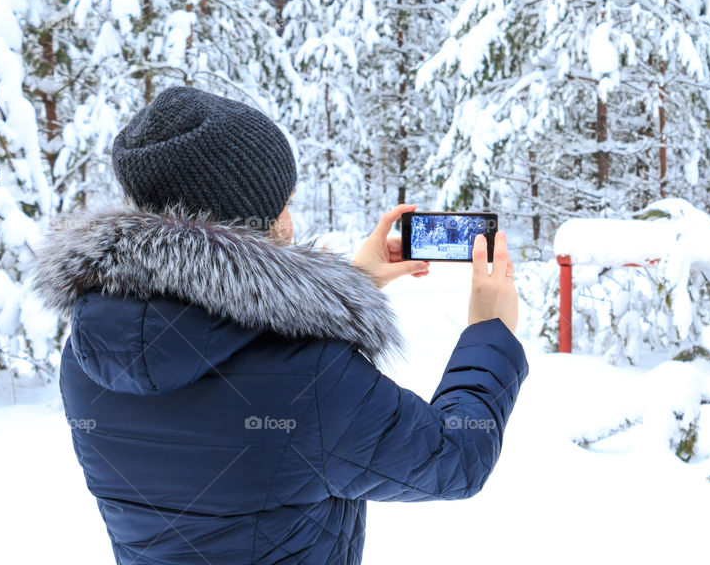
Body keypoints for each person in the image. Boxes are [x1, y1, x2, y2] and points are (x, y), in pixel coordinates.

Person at [30, 86, 528, 564]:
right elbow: (455, 458)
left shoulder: (88, 353)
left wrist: (350, 287)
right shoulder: (312, 377)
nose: (291, 218)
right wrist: (489, 332)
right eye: (282, 201)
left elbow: (219, 349)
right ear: (249, 217)